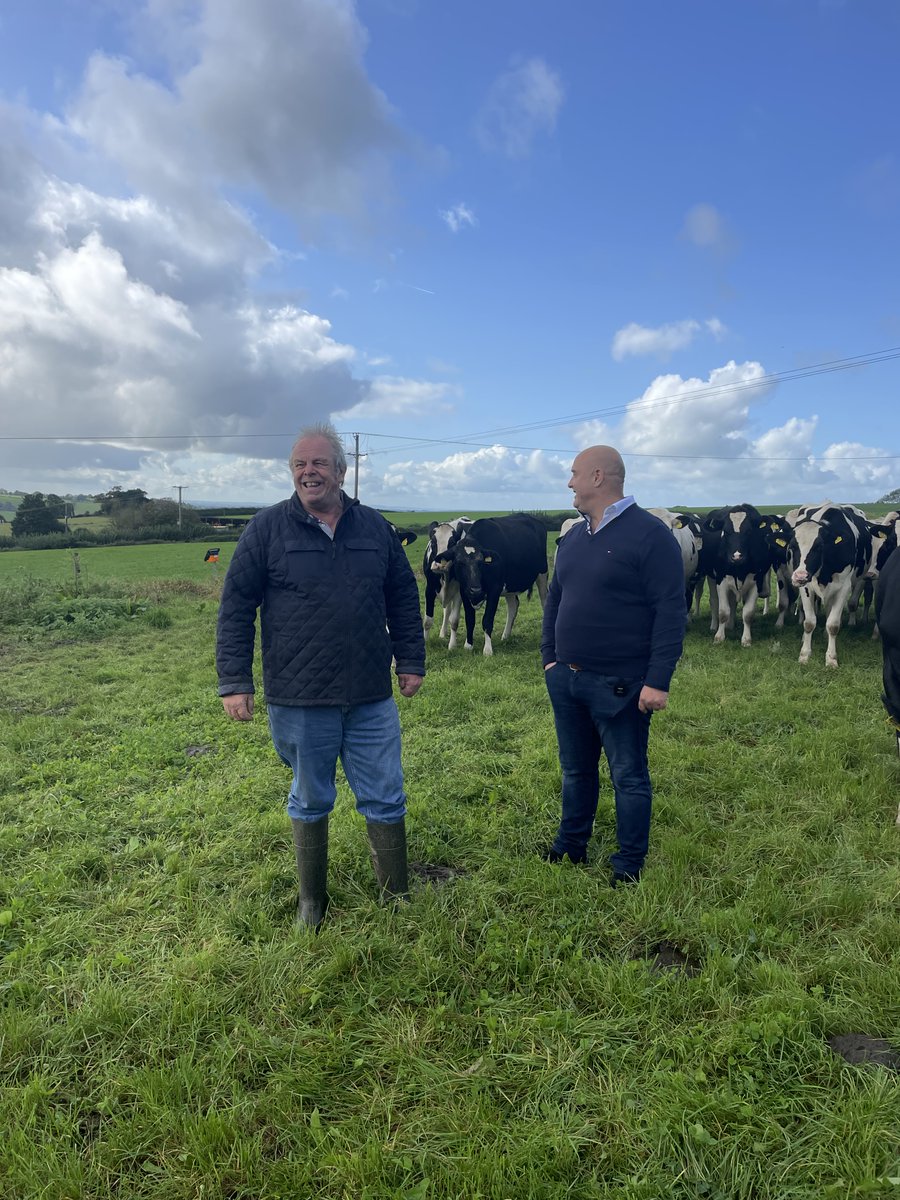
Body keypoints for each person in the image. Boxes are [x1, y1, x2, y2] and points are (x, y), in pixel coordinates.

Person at [216, 422, 425, 929]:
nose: (309, 472)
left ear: (341, 470)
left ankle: (395, 894)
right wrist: (235, 680)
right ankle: (313, 902)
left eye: (319, 464)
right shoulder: (266, 529)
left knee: (385, 790)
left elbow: (401, 596)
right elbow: (237, 607)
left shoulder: (374, 527)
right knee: (310, 795)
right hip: (300, 695)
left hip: (371, 692)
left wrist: (412, 659)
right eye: (299, 465)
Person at [540, 445, 685, 885]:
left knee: (628, 775)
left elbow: (670, 612)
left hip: (622, 683)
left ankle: (628, 864)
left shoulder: (650, 535)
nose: (569, 483)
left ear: (598, 477)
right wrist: (550, 659)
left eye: (574, 474)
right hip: (567, 678)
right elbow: (556, 601)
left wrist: (657, 681)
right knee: (575, 769)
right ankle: (571, 845)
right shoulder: (574, 537)